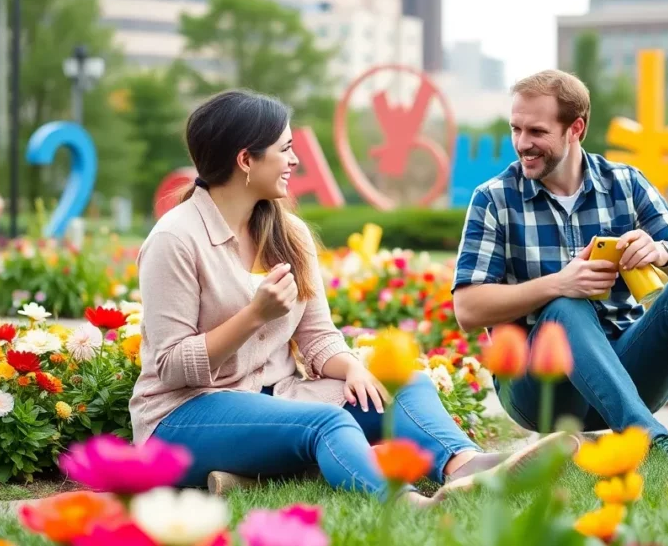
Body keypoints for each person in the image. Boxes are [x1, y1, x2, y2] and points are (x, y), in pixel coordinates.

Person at [130, 89, 575, 506]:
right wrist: (253, 316)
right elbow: (170, 365)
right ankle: (407, 507)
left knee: (404, 386)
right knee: (326, 423)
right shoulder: (176, 239)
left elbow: (318, 336)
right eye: (284, 149)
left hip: (277, 396)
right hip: (183, 416)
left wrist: (353, 369)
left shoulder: (290, 233)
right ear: (246, 159)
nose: (294, 159)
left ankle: (465, 466)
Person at [452, 70, 668, 460]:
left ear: (576, 128)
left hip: (627, 371)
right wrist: (558, 284)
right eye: (515, 129)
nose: (522, 144)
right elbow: (467, 310)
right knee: (564, 306)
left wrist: (662, 253)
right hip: (541, 388)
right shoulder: (494, 199)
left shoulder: (625, 183)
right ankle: (649, 444)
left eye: (536, 131)